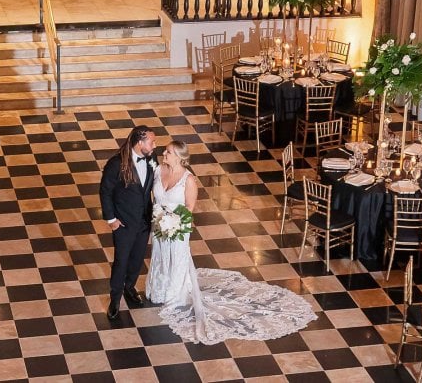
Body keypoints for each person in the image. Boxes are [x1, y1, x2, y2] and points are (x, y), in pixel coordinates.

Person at [146, 140, 318, 345]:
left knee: (177, 260)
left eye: (168, 152)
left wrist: (173, 223)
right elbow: (154, 198)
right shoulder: (159, 171)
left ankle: (175, 294)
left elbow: (189, 210)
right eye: (165, 151)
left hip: (178, 229)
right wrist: (158, 217)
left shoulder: (188, 180)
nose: (164, 154)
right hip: (159, 227)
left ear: (179, 156)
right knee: (160, 256)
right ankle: (159, 287)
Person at [99, 125, 157, 320]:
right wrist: (112, 220)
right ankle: (115, 299)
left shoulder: (151, 160)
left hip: (143, 222)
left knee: (137, 259)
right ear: (140, 142)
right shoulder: (116, 164)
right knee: (121, 261)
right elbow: (105, 192)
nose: (154, 145)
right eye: (151, 141)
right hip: (123, 223)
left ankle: (129, 288)